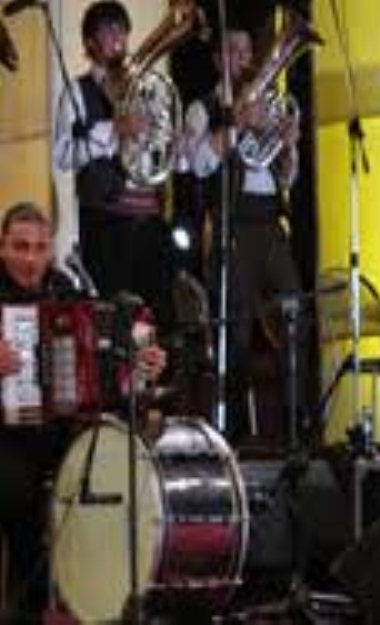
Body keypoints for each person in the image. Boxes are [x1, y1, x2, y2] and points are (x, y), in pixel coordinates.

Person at [0, 201, 167, 620]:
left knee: (103, 473)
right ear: (2, 247)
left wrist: (140, 361)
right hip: (6, 435)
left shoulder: (66, 291)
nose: (31, 259)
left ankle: (95, 597)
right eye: (20, 247)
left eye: (40, 248)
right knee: (17, 491)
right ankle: (27, 604)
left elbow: (108, 350)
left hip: (60, 429)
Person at [183, 24, 307, 449]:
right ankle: (232, 436)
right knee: (233, 333)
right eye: (232, 51)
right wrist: (235, 123)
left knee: (293, 319)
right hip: (231, 224)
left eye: (247, 51)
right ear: (217, 60)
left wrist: (288, 146)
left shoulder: (268, 105)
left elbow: (286, 178)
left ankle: (295, 430)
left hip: (270, 223)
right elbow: (197, 163)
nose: (243, 60)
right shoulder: (203, 108)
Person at [52, 0, 174, 330]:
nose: (118, 38)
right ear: (90, 42)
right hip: (105, 221)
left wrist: (163, 137)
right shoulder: (76, 92)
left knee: (155, 315)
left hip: (148, 215)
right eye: (108, 31)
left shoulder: (144, 88)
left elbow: (161, 150)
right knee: (113, 318)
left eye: (122, 30)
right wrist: (112, 130)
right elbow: (62, 155)